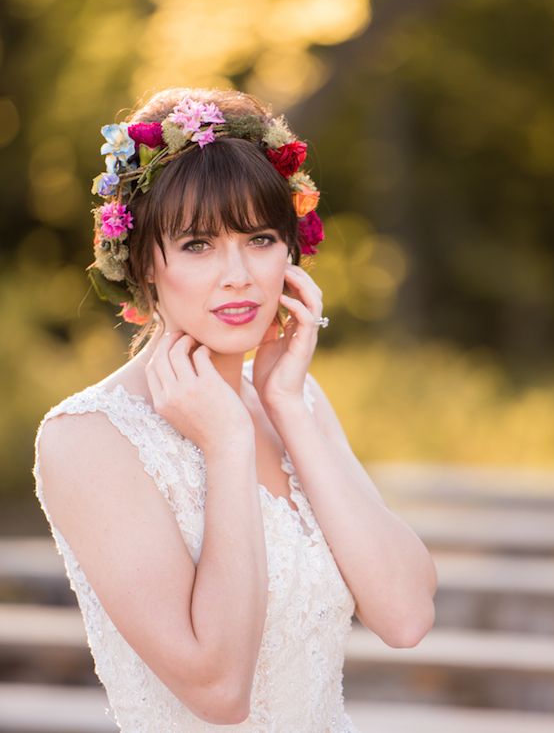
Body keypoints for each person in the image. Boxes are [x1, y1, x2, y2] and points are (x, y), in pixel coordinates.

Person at [33, 87, 437, 732]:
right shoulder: (88, 439)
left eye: (260, 239)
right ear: (141, 261)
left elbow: (406, 616)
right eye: (197, 245)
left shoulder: (296, 399)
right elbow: (219, 693)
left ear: (292, 252)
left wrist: (284, 407)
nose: (239, 275)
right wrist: (226, 446)